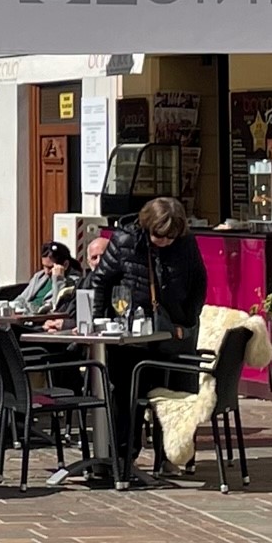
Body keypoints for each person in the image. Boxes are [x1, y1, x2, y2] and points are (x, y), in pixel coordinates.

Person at [86, 197, 208, 482]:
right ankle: (122, 458)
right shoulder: (125, 239)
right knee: (125, 394)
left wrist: (186, 320)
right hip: (130, 333)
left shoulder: (185, 244)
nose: (164, 242)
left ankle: (170, 456)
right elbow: (101, 281)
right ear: (146, 225)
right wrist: (97, 322)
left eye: (170, 237)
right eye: (158, 235)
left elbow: (199, 281)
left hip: (172, 332)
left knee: (171, 393)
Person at [5, 242, 77, 317]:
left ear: (65, 265)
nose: (46, 271)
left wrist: (58, 279)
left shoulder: (72, 282)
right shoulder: (40, 276)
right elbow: (22, 298)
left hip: (40, 320)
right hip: (25, 316)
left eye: (50, 267)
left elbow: (57, 307)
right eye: (44, 266)